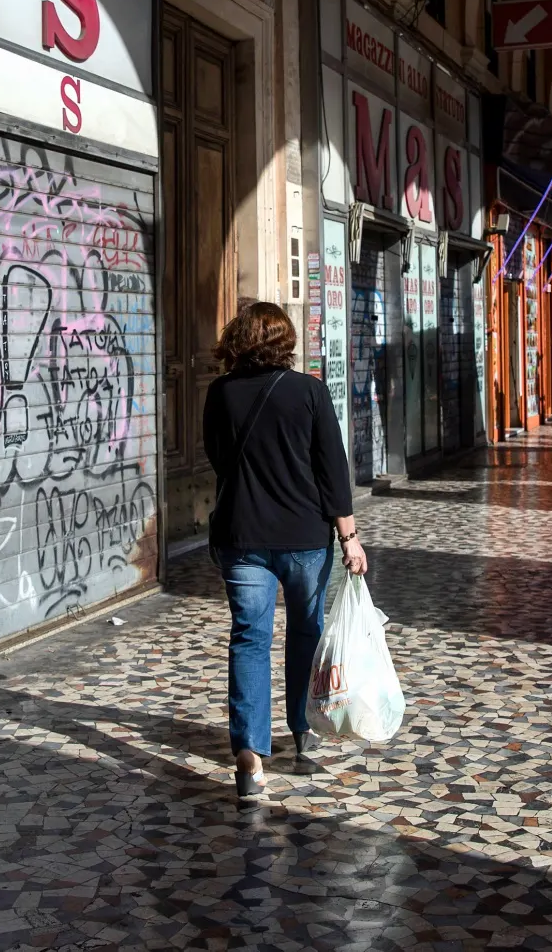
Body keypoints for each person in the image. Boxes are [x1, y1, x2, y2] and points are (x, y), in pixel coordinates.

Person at [204, 302, 367, 801]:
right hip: (304, 539)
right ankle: (303, 732)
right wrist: (349, 536)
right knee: (306, 633)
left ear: (239, 339)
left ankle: (250, 758)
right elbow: (332, 470)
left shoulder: (220, 393)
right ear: (286, 342)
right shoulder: (310, 391)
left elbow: (216, 457)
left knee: (249, 639)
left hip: (243, 536)